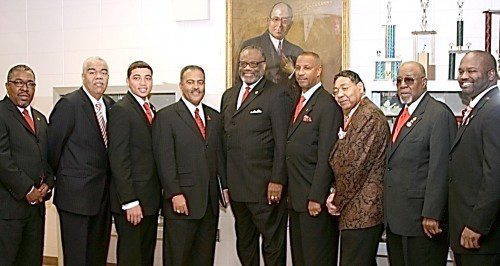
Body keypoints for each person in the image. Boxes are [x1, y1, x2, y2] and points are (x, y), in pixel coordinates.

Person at [221, 45, 290, 266]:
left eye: (254, 64)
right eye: (244, 64)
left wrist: (277, 180)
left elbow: (282, 142)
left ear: (263, 66)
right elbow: (225, 141)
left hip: (266, 188)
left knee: (272, 245)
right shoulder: (229, 95)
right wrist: (224, 183)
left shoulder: (277, 94)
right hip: (238, 188)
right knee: (245, 243)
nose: (248, 68)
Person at [384, 61, 457, 266]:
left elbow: (441, 168)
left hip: (422, 222)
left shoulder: (438, 114)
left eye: (409, 80)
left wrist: (432, 213)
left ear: (424, 82)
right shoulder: (404, 113)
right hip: (397, 219)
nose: (403, 85)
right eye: (398, 81)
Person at [153, 65, 226, 266]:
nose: (196, 87)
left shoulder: (214, 116)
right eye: (190, 82)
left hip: (208, 205)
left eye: (200, 82)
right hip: (181, 203)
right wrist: (174, 193)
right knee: (178, 259)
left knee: (204, 259)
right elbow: (164, 160)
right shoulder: (166, 116)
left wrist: (223, 188)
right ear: (181, 85)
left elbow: (218, 155)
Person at [48, 56, 115, 265]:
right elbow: (52, 149)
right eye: (93, 72)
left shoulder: (110, 105)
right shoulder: (69, 104)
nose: (99, 77)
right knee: (77, 258)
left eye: (103, 72)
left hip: (103, 198)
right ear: (83, 76)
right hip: (75, 198)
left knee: (97, 256)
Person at [325, 70, 389, 266]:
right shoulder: (354, 115)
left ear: (360, 88)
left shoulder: (368, 116)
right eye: (335, 91)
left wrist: (336, 199)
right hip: (354, 208)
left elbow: (354, 166)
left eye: (345, 88)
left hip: (363, 210)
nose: (340, 95)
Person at [286, 52, 342, 265]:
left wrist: (316, 197)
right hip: (297, 198)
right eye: (298, 68)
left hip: (313, 201)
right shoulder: (297, 101)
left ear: (319, 71)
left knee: (316, 259)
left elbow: (326, 156)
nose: (300, 73)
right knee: (301, 259)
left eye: (306, 68)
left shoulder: (327, 105)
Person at [108, 61, 161, 265]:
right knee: (131, 258)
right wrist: (130, 201)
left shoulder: (150, 108)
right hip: (132, 202)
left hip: (149, 200)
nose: (143, 83)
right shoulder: (122, 110)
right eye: (137, 78)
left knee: (145, 256)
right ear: (128, 81)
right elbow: (119, 159)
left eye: (147, 78)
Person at [449, 50, 500, 266]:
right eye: (460, 71)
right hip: (465, 230)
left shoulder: (495, 110)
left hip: (482, 237)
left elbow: (495, 175)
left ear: (491, 75)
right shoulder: (480, 107)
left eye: (471, 71)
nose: (463, 76)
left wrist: (477, 225)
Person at [0, 65, 54, 266]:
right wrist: (28, 189)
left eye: (30, 83)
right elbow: (2, 159)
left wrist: (48, 183)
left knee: (32, 260)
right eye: (19, 83)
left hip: (36, 210)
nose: (25, 88)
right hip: (9, 211)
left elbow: (46, 156)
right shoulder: (1, 113)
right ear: (7, 86)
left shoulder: (40, 118)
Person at [238, 2, 303, 101]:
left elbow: (303, 86)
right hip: (258, 105)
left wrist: (292, 72)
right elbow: (239, 81)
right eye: (276, 19)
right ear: (269, 21)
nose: (279, 25)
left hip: (286, 107)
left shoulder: (296, 51)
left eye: (284, 20)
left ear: (291, 24)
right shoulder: (250, 46)